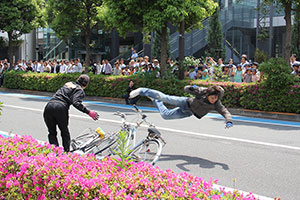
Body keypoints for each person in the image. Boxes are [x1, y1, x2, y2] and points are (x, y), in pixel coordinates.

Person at [129, 85, 233, 128]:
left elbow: (225, 111)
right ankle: (142, 90)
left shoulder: (216, 104)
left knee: (165, 115)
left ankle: (155, 100)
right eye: (212, 97)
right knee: (165, 97)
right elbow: (186, 88)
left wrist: (229, 121)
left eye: (215, 98)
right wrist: (192, 88)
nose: (213, 100)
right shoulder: (202, 92)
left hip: (188, 112)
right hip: (184, 102)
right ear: (208, 95)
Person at [43, 74, 99, 152]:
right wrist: (88, 112)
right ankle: (66, 152)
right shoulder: (79, 89)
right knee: (64, 131)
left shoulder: (68, 83)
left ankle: (55, 152)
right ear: (86, 84)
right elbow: (76, 102)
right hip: (61, 107)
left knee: (52, 132)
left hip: (49, 106)